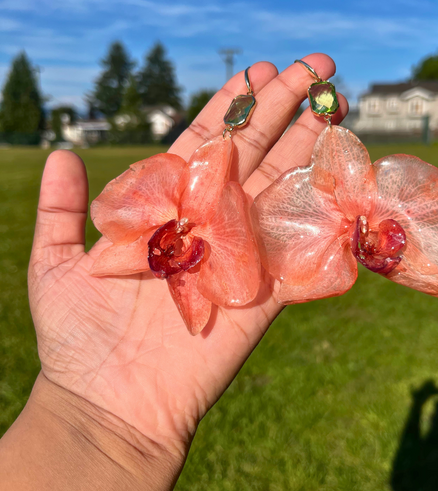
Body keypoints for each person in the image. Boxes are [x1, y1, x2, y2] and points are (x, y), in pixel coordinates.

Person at [0, 54, 347, 490]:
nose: (176, 241)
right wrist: (73, 406)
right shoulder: (154, 248)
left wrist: (84, 418)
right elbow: (131, 249)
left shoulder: (197, 245)